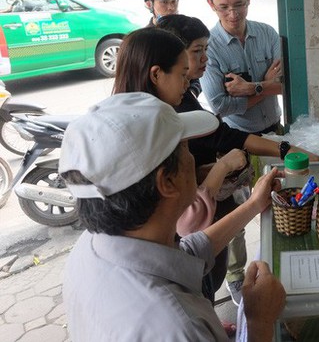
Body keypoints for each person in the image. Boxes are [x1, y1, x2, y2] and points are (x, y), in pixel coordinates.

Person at [61, 92, 286, 341]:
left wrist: (254, 204)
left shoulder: (91, 244)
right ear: (167, 181)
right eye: (186, 147)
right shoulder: (179, 327)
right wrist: (260, 321)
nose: (194, 159)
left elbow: (186, 252)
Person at [154, 16, 319, 305]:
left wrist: (283, 146)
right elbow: (224, 124)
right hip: (197, 225)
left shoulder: (184, 97)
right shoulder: (166, 118)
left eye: (204, 50)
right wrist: (223, 167)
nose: (204, 59)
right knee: (200, 284)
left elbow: (225, 135)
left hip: (203, 226)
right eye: (196, 52)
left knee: (205, 281)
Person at [201, 0, 283, 134]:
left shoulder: (268, 33)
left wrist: (251, 88)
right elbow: (220, 107)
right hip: (238, 137)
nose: (233, 14)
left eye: (239, 4)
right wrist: (265, 87)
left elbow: (286, 85)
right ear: (211, 4)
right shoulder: (208, 48)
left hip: (277, 129)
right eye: (223, 7)